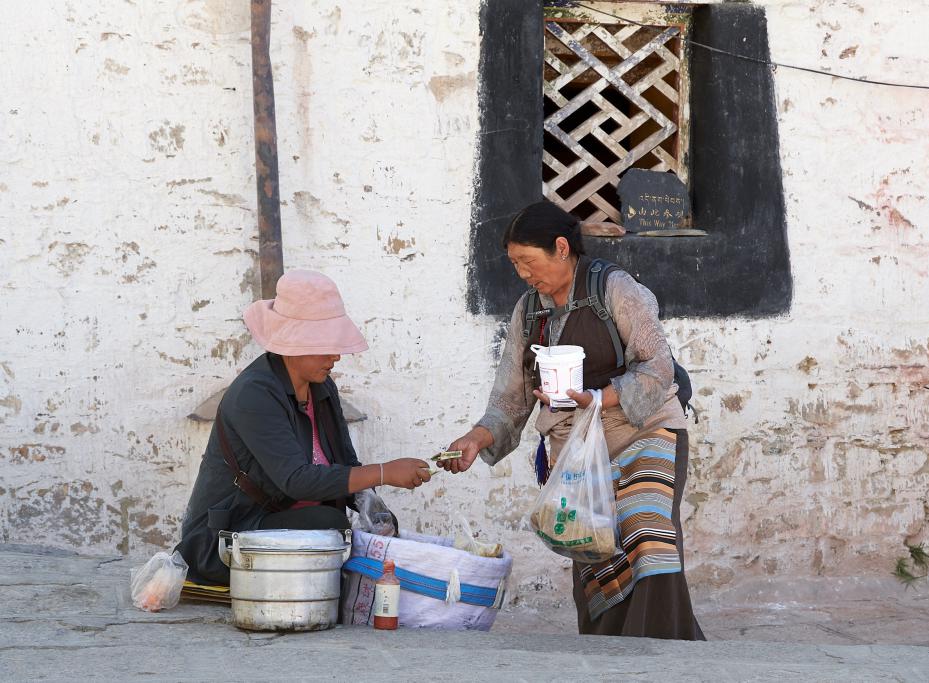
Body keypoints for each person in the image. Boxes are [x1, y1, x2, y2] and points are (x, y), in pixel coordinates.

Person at [441, 201, 704, 640]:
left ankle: (665, 657)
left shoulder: (614, 289)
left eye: (528, 261)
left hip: (644, 432)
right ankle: (611, 657)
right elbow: (511, 400)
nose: (523, 274)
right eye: (514, 264)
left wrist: (600, 398)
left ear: (561, 247)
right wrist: (474, 438)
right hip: (578, 454)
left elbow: (657, 367)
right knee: (596, 547)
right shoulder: (529, 311)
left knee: (647, 537)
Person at [176, 270, 431, 585]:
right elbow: (296, 481)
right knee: (327, 522)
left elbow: (345, 466)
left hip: (278, 529)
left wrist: (373, 508)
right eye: (325, 346)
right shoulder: (254, 394)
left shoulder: (322, 389)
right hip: (223, 542)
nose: (336, 356)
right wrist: (384, 471)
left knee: (373, 526)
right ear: (293, 344)